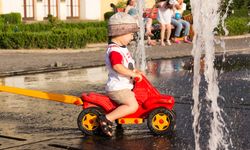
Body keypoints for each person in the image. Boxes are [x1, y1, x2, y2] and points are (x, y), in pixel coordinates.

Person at [99, 12, 143, 137]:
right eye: (130, 34)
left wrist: (135, 71)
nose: (132, 37)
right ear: (120, 32)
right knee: (132, 105)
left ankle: (115, 117)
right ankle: (107, 118)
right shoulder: (114, 50)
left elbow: (126, 65)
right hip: (118, 88)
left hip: (123, 86)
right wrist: (132, 74)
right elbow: (117, 66)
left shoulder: (121, 48)